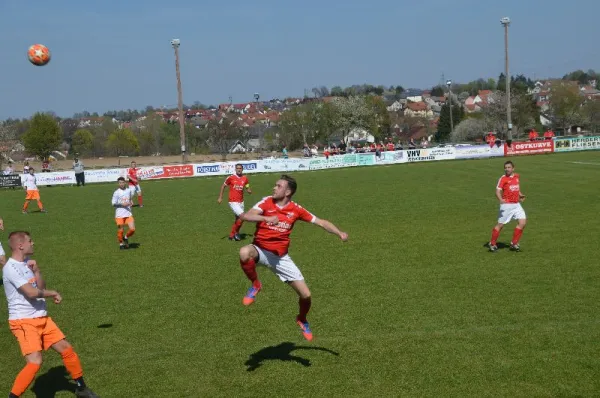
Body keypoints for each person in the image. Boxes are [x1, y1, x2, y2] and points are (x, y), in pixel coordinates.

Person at [238, 175, 348, 341]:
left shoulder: (296, 209)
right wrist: (266, 218)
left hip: (281, 258)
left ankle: (302, 319)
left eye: (278, 186)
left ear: (288, 191)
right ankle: (256, 285)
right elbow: (246, 216)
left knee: (306, 295)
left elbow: (321, 222)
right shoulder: (266, 202)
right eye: (275, 185)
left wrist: (339, 232)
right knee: (244, 252)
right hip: (260, 250)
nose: (274, 188)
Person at [2, 231, 98, 398]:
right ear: (20, 245)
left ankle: (81, 388)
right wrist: (53, 293)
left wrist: (37, 271)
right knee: (35, 362)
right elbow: (31, 293)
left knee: (67, 350)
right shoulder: (10, 268)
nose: (34, 243)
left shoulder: (27, 263)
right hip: (24, 322)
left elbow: (39, 286)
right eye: (30, 241)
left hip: (42, 318)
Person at [488, 161, 527, 252]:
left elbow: (516, 188)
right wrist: (501, 200)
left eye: (509, 167)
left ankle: (514, 243)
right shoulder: (503, 178)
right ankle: (492, 243)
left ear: (513, 168)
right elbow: (497, 191)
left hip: (516, 204)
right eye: (505, 167)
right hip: (507, 205)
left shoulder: (517, 176)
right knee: (500, 225)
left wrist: (520, 195)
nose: (507, 169)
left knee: (522, 223)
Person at [218, 164, 252, 241]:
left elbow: (246, 184)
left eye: (240, 168)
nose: (239, 170)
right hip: (233, 201)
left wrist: (248, 189)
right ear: (235, 169)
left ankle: (231, 235)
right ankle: (236, 234)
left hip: (241, 201)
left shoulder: (245, 178)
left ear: (242, 169)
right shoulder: (231, 177)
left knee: (238, 219)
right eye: (237, 168)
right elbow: (223, 186)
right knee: (242, 217)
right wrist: (220, 197)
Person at [112, 177, 136, 250]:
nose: (121, 184)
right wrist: (122, 205)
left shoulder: (129, 190)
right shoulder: (116, 192)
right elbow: (113, 204)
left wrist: (131, 201)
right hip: (119, 215)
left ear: (125, 182)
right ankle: (121, 243)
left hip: (128, 213)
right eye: (120, 183)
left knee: (132, 229)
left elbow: (129, 199)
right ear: (118, 184)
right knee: (121, 230)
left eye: (122, 182)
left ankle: (125, 237)